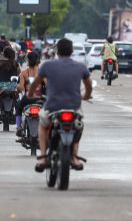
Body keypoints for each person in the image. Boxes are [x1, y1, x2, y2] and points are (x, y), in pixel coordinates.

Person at [28, 38, 92, 173]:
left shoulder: (47, 66)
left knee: (43, 125)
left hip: (52, 107)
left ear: (57, 51)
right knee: (78, 127)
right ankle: (74, 157)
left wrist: (30, 94)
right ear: (72, 51)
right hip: (74, 107)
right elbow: (89, 86)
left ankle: (43, 157)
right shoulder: (81, 67)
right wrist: (85, 96)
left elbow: (35, 83)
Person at [0, 46, 21, 120]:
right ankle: (18, 113)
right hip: (12, 86)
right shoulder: (15, 63)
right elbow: (19, 72)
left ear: (4, 54)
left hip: (1, 86)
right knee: (17, 97)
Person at [15, 51, 43, 136]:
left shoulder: (23, 73)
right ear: (38, 60)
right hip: (40, 99)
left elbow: (21, 87)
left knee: (18, 108)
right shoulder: (43, 72)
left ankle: (19, 127)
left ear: (28, 60)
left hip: (27, 98)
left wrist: (18, 89)